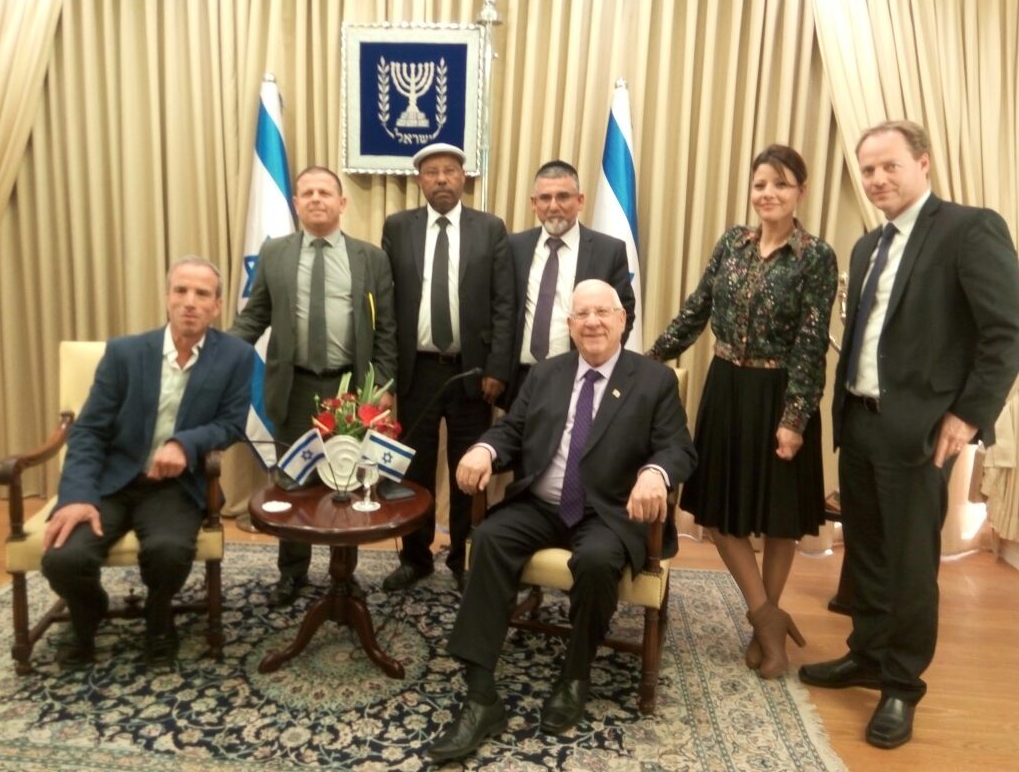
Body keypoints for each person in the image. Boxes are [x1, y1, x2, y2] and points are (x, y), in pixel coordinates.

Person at [799, 121, 1019, 749]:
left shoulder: (969, 229)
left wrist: (968, 415)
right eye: (868, 169)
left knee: (911, 565)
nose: (876, 179)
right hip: (860, 424)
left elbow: (1006, 332)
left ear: (923, 163)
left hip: (921, 432)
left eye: (889, 166)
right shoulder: (868, 246)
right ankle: (867, 655)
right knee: (865, 552)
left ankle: (901, 684)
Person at [427, 280, 696, 762]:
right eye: (581, 315)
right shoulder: (547, 374)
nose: (592, 322)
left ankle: (575, 674)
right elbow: (513, 430)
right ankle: (481, 695)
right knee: (488, 538)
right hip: (541, 504)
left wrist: (656, 473)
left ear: (622, 320)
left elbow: (678, 448)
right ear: (569, 325)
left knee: (596, 562)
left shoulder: (653, 381)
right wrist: (485, 448)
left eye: (602, 312)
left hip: (608, 511)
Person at [648, 144, 838, 679]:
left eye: (781, 184)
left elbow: (811, 344)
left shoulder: (816, 256)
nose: (768, 194)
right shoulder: (732, 242)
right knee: (716, 511)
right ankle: (766, 615)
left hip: (781, 392)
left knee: (780, 520)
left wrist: (795, 419)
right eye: (760, 184)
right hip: (727, 387)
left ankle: (764, 630)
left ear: (801, 191)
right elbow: (697, 309)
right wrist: (647, 360)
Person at [40, 256, 254, 667]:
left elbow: (230, 425)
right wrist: (77, 496)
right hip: (112, 481)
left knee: (169, 552)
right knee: (63, 557)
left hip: (177, 486)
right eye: (181, 290)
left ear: (216, 306)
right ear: (167, 297)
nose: (189, 301)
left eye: (202, 294)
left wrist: (183, 445)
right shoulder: (125, 353)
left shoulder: (236, 357)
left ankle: (159, 614)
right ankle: (88, 611)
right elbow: (88, 431)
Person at [231, 166, 397, 607]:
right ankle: (292, 573)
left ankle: (344, 572)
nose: (316, 199)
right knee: (293, 483)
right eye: (307, 193)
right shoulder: (275, 254)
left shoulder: (370, 259)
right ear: (296, 203)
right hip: (294, 386)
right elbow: (255, 315)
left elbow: (386, 330)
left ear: (342, 203)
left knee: (346, 484)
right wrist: (217, 353)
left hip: (349, 392)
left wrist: (382, 387)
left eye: (325, 192)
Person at [381, 142, 515, 593]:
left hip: (472, 374)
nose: (441, 179)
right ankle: (415, 558)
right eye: (432, 172)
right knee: (413, 470)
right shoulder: (398, 227)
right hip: (415, 372)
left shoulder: (490, 229)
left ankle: (463, 557)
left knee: (468, 469)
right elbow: (387, 305)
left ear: (463, 178)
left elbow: (505, 304)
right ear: (419, 180)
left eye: (450, 171)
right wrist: (387, 376)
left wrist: (497, 369)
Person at [504, 159, 635, 405]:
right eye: (545, 198)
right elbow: (501, 309)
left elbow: (624, 315)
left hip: (579, 377)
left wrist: (598, 359)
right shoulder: (514, 246)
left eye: (563, 197)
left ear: (580, 200)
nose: (553, 206)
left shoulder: (608, 251)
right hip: (521, 378)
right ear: (533, 203)